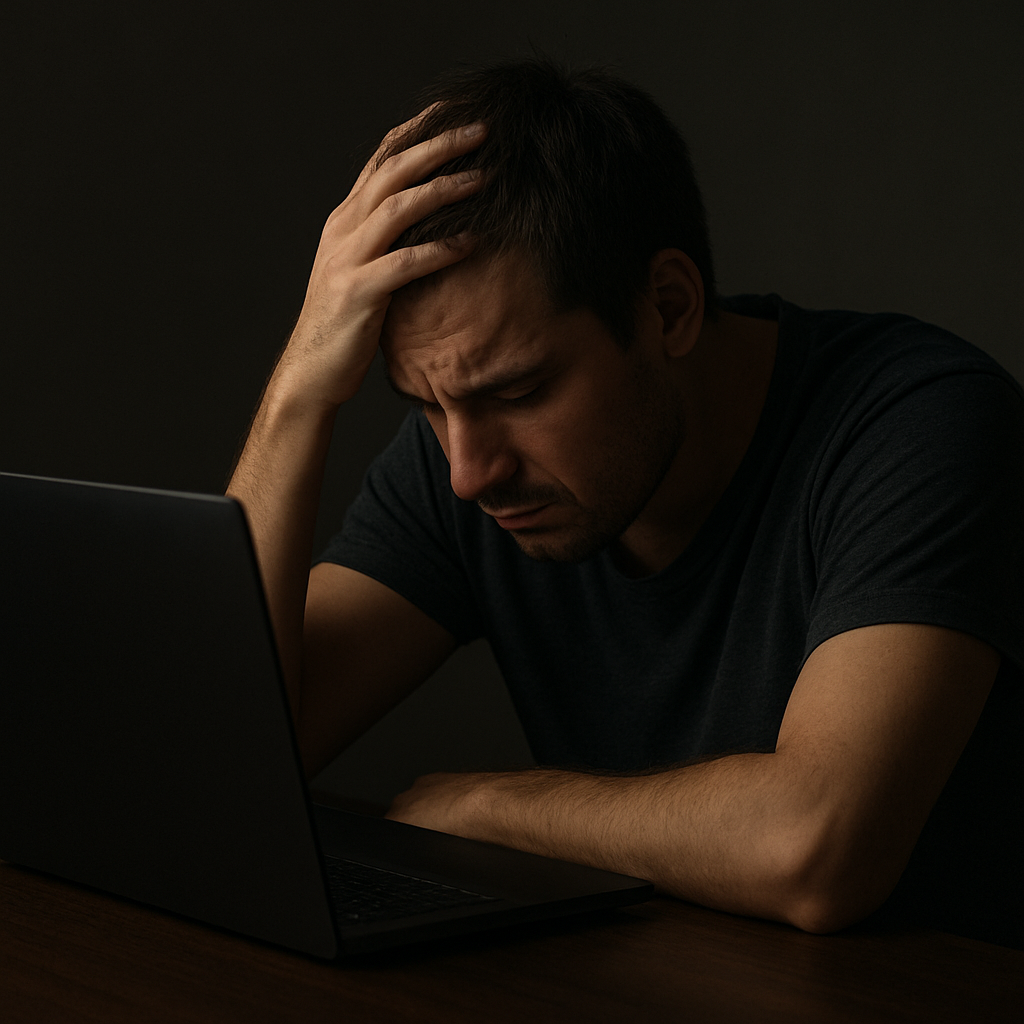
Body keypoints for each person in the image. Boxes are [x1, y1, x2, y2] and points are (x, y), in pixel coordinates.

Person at [227, 59, 1023, 945]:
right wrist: (298, 395)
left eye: (522, 392)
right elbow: (225, 766)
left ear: (670, 307)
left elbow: (819, 848)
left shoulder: (918, 423)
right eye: (424, 405)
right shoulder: (467, 446)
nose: (467, 473)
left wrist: (493, 807)